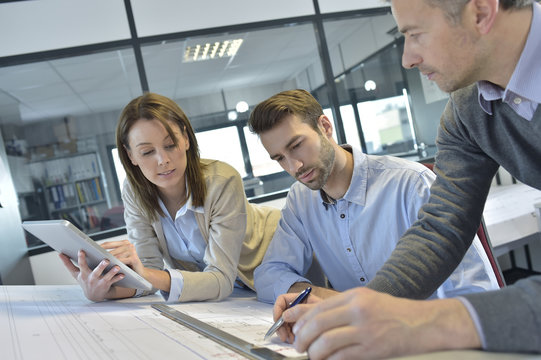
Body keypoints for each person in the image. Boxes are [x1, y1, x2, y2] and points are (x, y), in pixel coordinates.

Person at [270, 0, 541, 358]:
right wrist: (362, 310)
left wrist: (425, 322)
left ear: (480, 12)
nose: (406, 58)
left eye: (414, 34)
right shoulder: (467, 111)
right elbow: (441, 228)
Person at [249, 89, 498, 306]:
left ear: (325, 127)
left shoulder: (410, 185)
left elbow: (475, 293)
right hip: (365, 338)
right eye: (279, 158)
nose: (294, 166)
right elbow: (269, 275)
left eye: (296, 146)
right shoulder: (300, 201)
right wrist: (328, 301)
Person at [59, 92, 280, 303]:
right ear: (130, 155)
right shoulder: (134, 191)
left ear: (185, 138)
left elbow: (221, 279)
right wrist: (102, 291)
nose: (163, 160)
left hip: (274, 261)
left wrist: (144, 273)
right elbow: (147, 271)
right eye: (147, 152)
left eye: (170, 144)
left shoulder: (222, 180)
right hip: (226, 292)